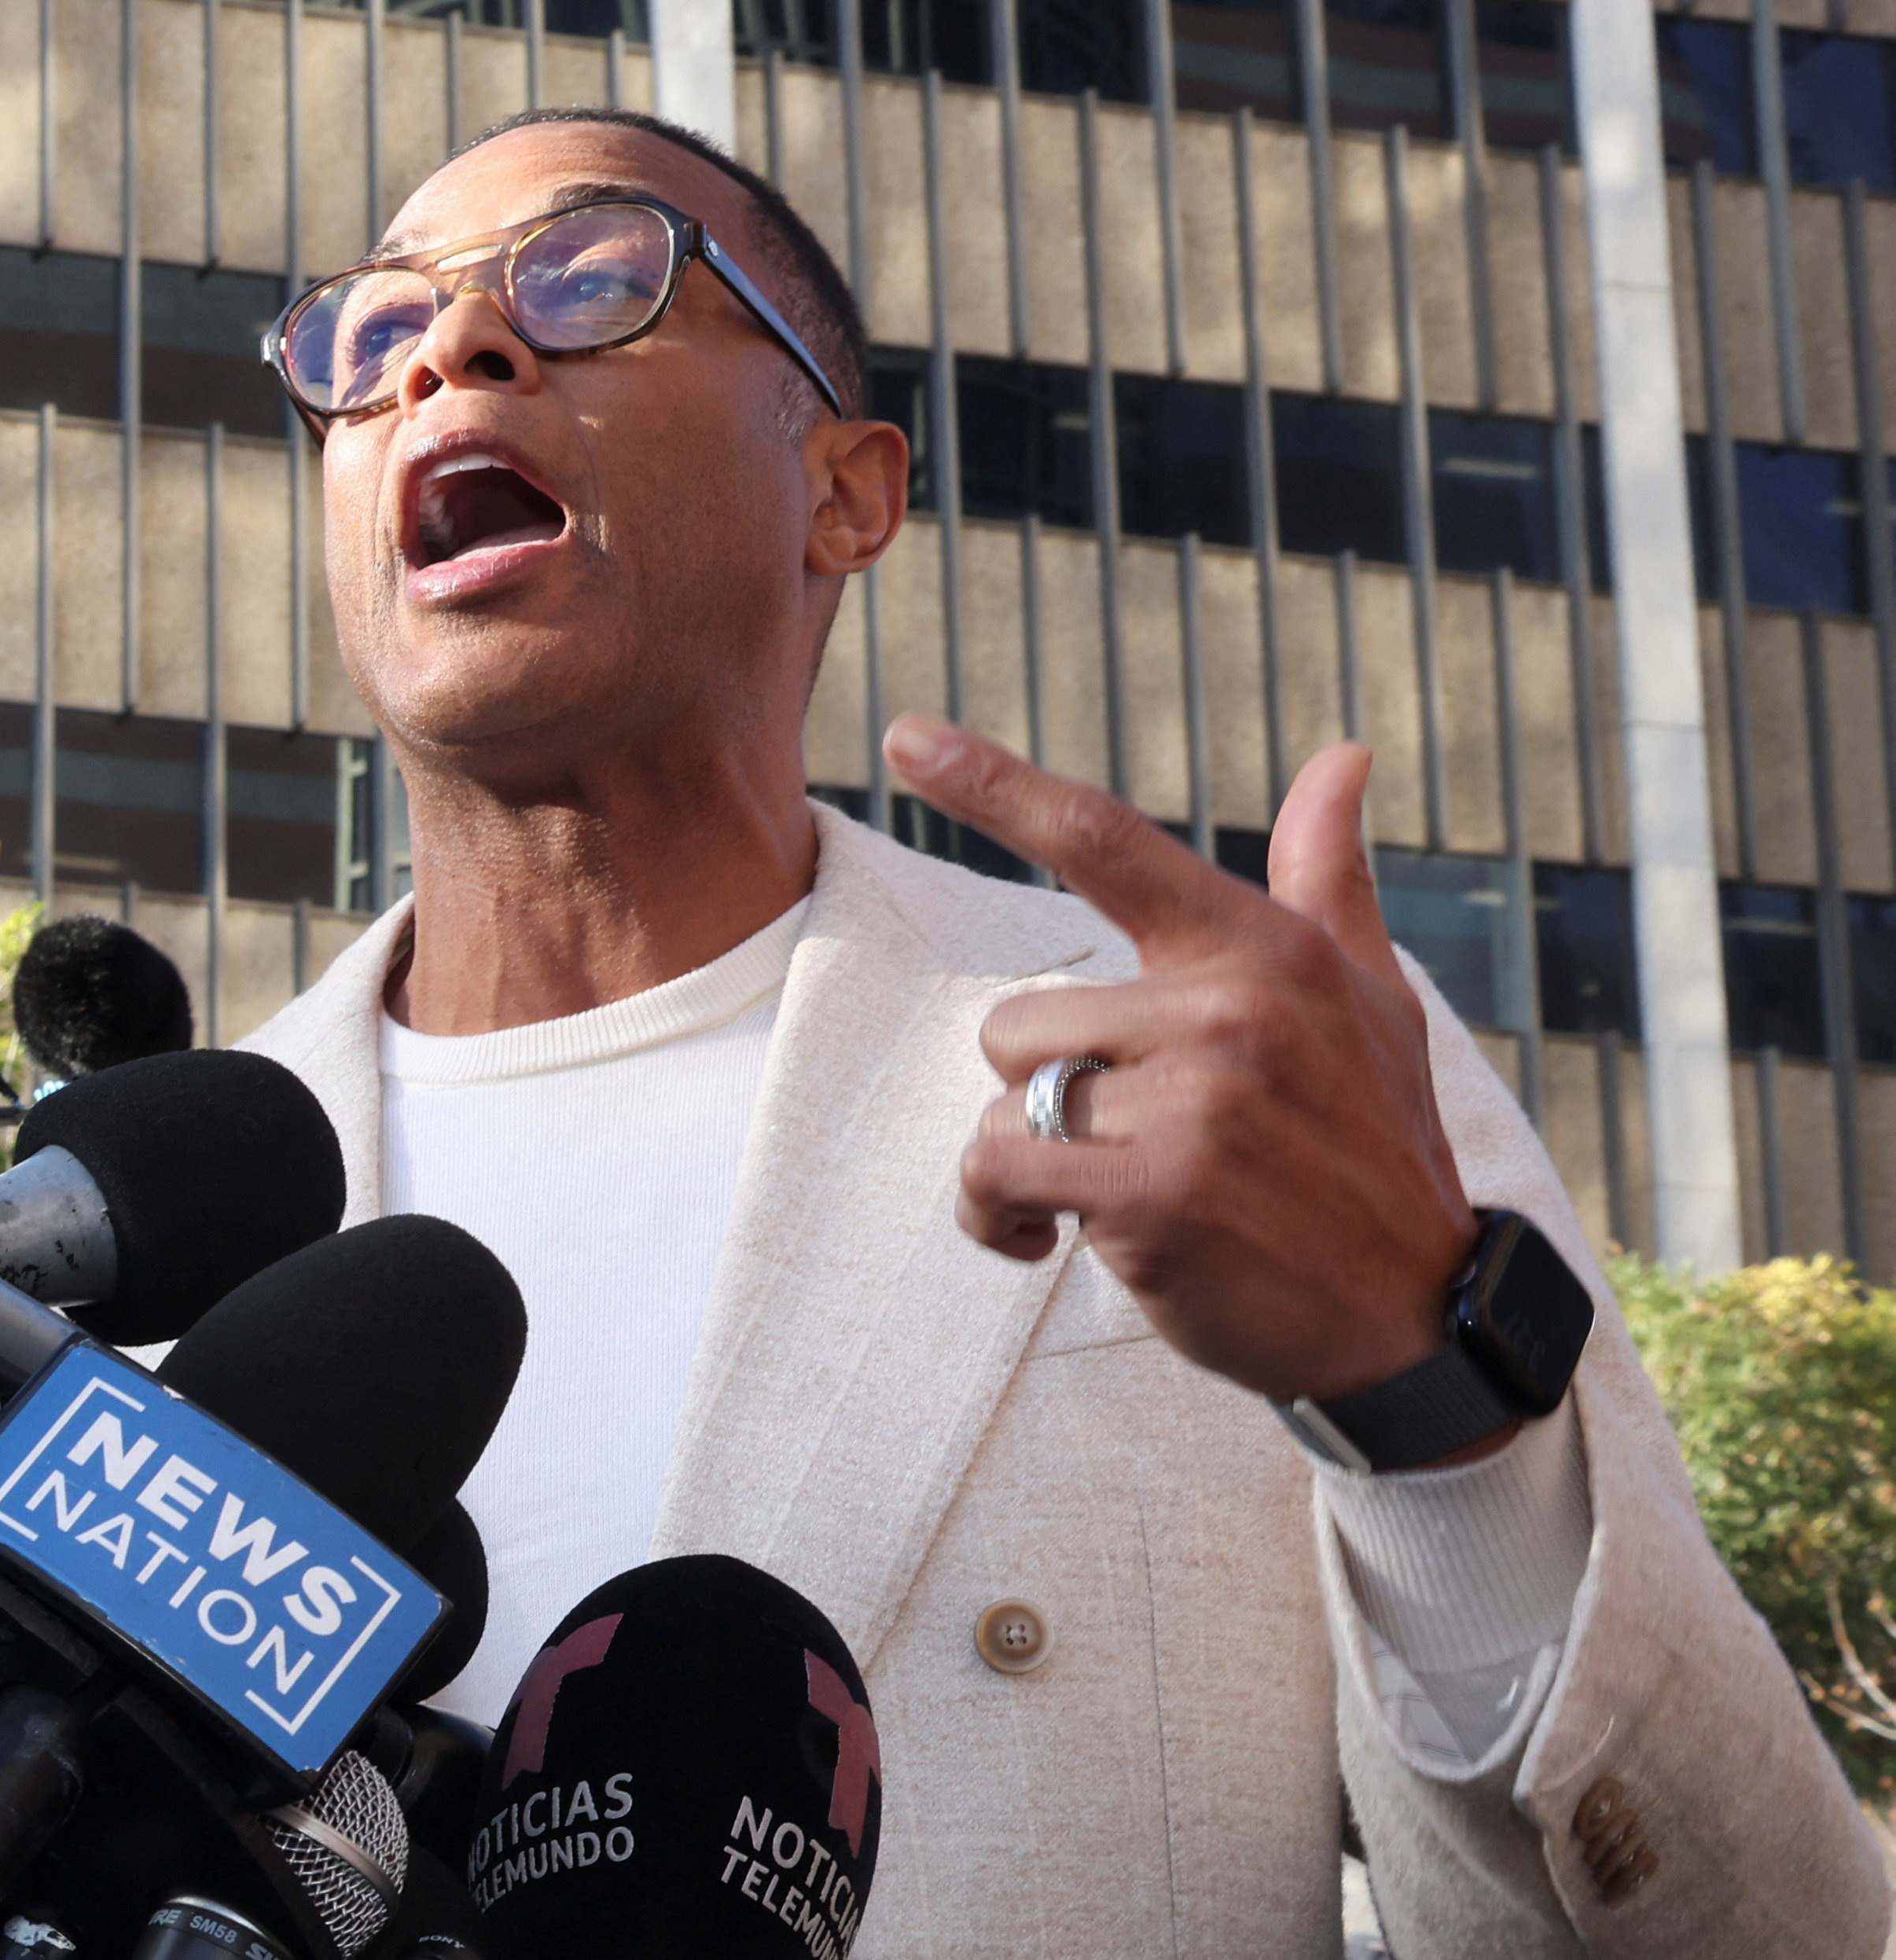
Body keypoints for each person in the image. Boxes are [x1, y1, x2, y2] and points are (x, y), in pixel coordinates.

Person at [237, 106, 1890, 1953]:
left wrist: (1433, 1425)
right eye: (374, 330)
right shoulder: (128, 1260)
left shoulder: (1236, 1069)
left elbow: (1784, 1928)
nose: (453, 348)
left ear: (847, 492)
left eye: (592, 278)